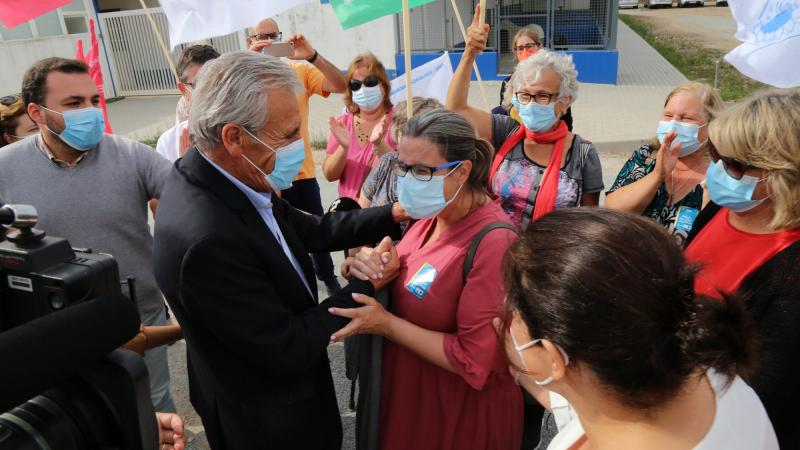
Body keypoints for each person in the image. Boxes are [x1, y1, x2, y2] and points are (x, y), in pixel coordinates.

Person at [152, 51, 409, 450]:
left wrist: (392, 213)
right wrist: (368, 282)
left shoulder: (227, 174)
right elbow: (287, 345)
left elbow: (308, 229)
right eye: (288, 135)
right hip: (268, 421)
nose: (299, 146)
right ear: (234, 138)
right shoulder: (208, 239)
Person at [499, 208, 778, 450]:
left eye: (513, 308)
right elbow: (592, 403)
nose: (505, 312)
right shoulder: (710, 372)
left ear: (554, 357)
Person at [330, 110, 523, 450]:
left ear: (462, 171)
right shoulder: (430, 217)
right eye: (402, 167)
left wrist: (385, 324)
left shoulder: (494, 242)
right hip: (408, 403)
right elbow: (407, 276)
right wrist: (367, 266)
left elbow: (475, 360)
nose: (407, 180)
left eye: (421, 171)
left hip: (455, 419)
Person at [0, 57, 178, 413]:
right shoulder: (5, 167)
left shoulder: (133, 156)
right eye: (74, 103)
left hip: (139, 318)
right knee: (80, 416)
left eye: (94, 100)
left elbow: (194, 200)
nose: (91, 111)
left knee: (153, 407)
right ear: (36, 113)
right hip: (55, 328)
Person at [685, 88, 800, 448]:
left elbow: (765, 390)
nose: (718, 171)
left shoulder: (791, 267)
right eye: (715, 154)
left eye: (734, 165)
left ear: (784, 172)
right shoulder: (722, 209)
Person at [447, 6, 603, 231]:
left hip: (549, 251)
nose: (531, 103)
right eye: (525, 95)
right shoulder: (505, 131)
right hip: (495, 245)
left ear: (565, 100)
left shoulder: (583, 154)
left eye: (543, 96)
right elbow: (456, 109)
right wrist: (469, 54)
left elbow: (588, 224)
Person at [248, 17, 347, 295]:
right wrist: (248, 62)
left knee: (317, 230)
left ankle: (327, 277)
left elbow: (340, 85)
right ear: (250, 41)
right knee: (276, 236)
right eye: (261, 37)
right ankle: (291, 285)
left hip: (300, 171)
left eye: (273, 35)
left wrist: (312, 55)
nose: (268, 41)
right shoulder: (244, 78)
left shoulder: (298, 71)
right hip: (263, 174)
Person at [606, 82, 724, 245]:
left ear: (711, 124)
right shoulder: (647, 156)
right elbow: (612, 210)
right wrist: (657, 175)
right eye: (668, 115)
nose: (673, 124)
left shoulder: (722, 171)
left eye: (686, 118)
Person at [324, 52, 397, 201]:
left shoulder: (399, 121)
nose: (363, 89)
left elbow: (405, 172)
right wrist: (343, 148)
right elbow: (330, 175)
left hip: (386, 211)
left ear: (384, 86)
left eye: (370, 82)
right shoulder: (343, 123)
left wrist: (379, 144)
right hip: (351, 211)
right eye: (355, 85)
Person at [358, 96, 442, 209]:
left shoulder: (440, 172)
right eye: (405, 128)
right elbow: (361, 210)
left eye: (421, 130)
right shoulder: (386, 162)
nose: (412, 136)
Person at [492, 25, 573, 132]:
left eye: (529, 46)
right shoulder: (508, 83)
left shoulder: (556, 79)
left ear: (540, 47)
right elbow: (504, 116)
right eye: (520, 48)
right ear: (516, 53)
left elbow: (566, 120)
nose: (525, 51)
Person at [156, 45, 219, 163]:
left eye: (215, 82)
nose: (208, 91)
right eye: (198, 84)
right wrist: (184, 167)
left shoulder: (243, 131)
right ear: (183, 90)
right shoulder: (169, 143)